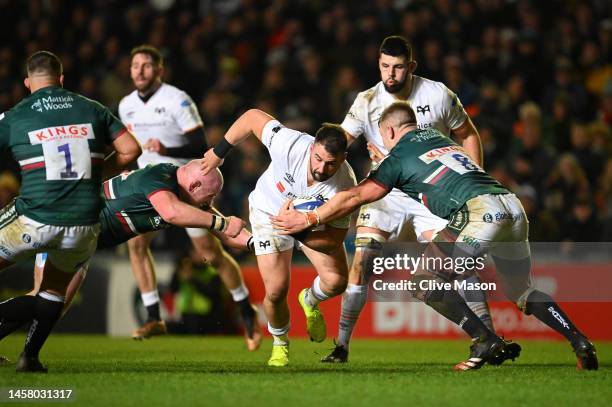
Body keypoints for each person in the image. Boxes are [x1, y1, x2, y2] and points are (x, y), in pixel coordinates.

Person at [272, 102, 598, 371]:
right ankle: (578, 340)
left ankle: (484, 339)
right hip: (510, 207)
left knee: (424, 280)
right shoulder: (442, 140)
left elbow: (356, 197)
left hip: (477, 213)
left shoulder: (397, 157)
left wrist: (310, 216)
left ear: (388, 132)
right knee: (522, 291)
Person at [326, 35, 494, 363]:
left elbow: (468, 134)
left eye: (399, 67)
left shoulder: (438, 94)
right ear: (378, 64)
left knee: (459, 265)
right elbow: (338, 143)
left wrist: (473, 183)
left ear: (411, 67)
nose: (391, 74)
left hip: (431, 193)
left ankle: (488, 338)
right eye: (385, 66)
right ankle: (341, 346)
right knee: (361, 263)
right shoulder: (366, 101)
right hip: (386, 193)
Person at [0, 162, 250, 344]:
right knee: (45, 300)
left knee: (55, 306)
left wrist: (261, 243)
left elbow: (229, 233)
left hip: (83, 243)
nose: (211, 202)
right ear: (195, 185)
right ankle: (28, 359)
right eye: (210, 196)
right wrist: (222, 223)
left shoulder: (186, 195)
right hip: (67, 228)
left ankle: (28, 358)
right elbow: (172, 213)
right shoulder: (160, 178)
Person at [0, 51, 141, 372]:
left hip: (35, 215)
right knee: (51, 293)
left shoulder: (16, 115)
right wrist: (94, 177)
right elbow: (131, 149)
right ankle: (30, 358)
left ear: (27, 83)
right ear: (61, 80)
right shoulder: (92, 108)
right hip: (84, 222)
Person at [118, 44, 260, 349]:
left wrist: (167, 150)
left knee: (212, 256)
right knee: (136, 244)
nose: (139, 71)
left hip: (184, 191)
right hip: (148, 191)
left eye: (146, 65)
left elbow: (200, 144)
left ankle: (246, 311)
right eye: (134, 66)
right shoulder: (125, 105)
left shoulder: (177, 100)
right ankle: (154, 316)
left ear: (159, 70)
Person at [201, 109, 357, 367]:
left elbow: (332, 241)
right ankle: (280, 344)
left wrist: (298, 229)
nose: (321, 168)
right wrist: (218, 153)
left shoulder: (345, 186)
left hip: (310, 225)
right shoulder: (291, 143)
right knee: (275, 291)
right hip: (269, 213)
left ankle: (309, 300)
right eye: (317, 158)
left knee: (337, 281)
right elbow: (251, 118)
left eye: (331, 163)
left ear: (344, 158)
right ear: (311, 147)